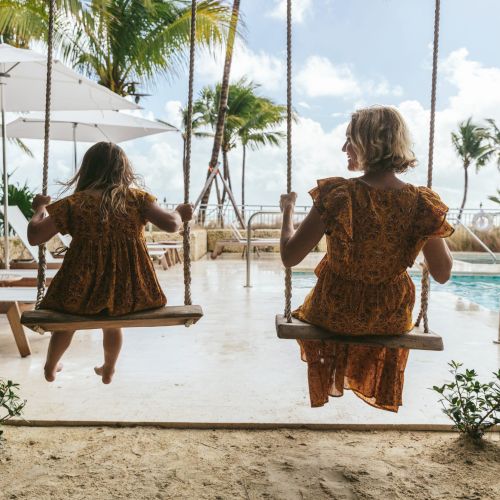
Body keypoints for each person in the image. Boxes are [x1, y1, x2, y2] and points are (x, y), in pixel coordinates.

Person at [279, 106, 454, 412]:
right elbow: (442, 273)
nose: (344, 147)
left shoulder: (338, 195)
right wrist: (424, 229)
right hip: (390, 316)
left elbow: (289, 256)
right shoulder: (422, 202)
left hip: (336, 311)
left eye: (350, 139)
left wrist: (287, 212)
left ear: (368, 143)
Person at [27, 142, 193, 384]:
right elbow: (171, 224)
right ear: (123, 170)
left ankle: (51, 367)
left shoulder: (75, 203)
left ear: (86, 170)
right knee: (113, 319)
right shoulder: (137, 199)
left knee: (66, 321)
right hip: (132, 294)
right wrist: (179, 212)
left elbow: (35, 236)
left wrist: (40, 207)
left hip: (78, 294)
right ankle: (109, 368)